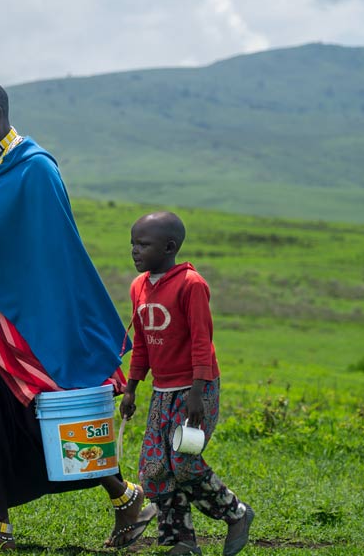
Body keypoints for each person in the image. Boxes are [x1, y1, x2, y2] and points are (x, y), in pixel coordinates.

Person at [0, 79, 156, 551]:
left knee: (50, 413)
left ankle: (126, 496)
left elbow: (53, 249)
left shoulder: (36, 168)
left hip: (28, 323)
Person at [120, 211, 254, 556]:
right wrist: (132, 388)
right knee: (154, 469)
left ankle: (236, 513)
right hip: (161, 390)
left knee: (184, 462)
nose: (135, 250)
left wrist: (197, 392)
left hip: (196, 388)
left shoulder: (191, 285)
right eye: (133, 243)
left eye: (143, 244)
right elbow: (143, 344)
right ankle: (181, 541)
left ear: (169, 247)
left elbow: (201, 342)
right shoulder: (139, 287)